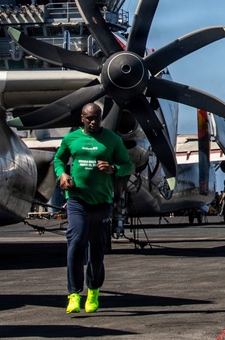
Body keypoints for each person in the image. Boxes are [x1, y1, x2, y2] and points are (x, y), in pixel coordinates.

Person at [54, 102, 133, 314]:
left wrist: (113, 168)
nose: (93, 121)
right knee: (76, 241)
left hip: (101, 201)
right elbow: (59, 159)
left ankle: (93, 290)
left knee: (97, 249)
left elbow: (127, 165)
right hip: (77, 199)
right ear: (82, 118)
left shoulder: (112, 139)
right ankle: (73, 294)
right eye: (89, 118)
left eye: (97, 117)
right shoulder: (71, 138)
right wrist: (62, 174)